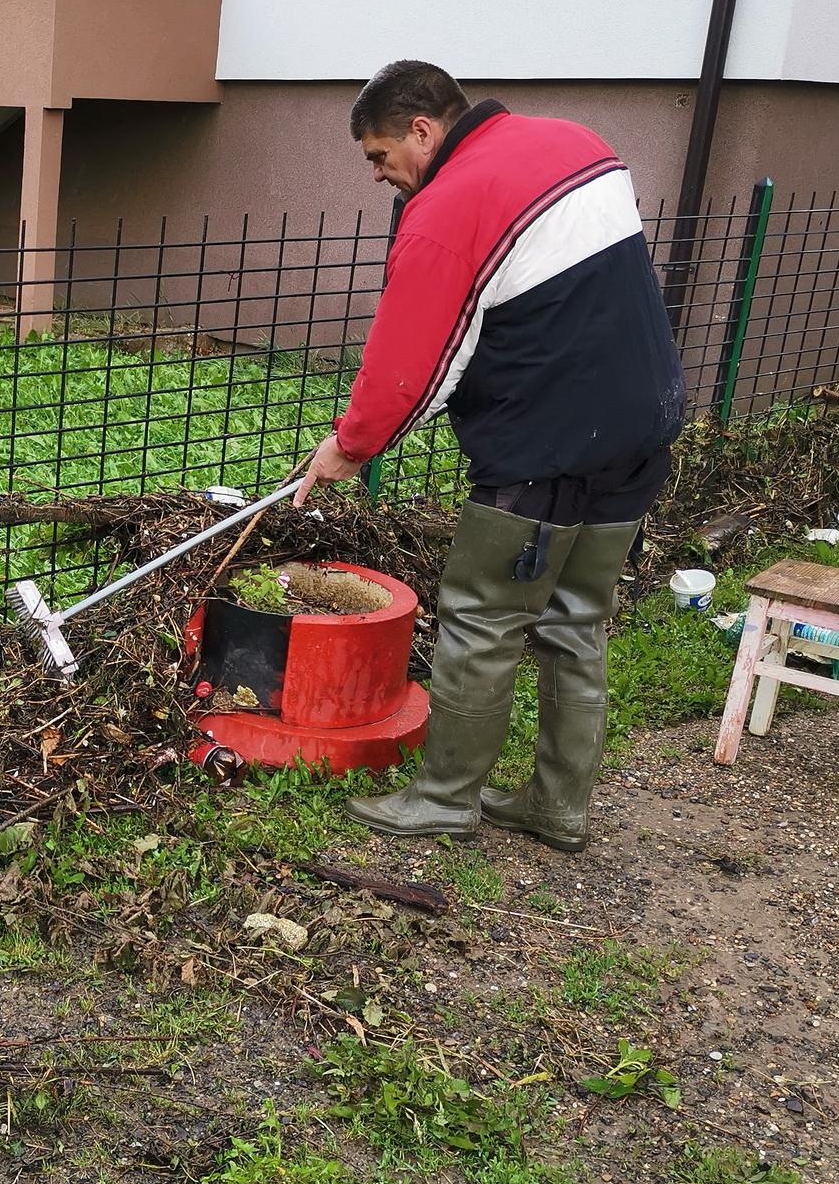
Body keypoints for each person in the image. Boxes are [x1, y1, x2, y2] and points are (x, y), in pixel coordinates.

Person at [291, 61, 685, 851]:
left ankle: (442, 801)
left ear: (423, 130)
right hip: (644, 426)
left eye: (379, 156)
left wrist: (348, 445)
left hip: (544, 451)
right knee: (578, 624)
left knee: (481, 620)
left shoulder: (446, 208)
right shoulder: (577, 144)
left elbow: (414, 364)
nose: (379, 176)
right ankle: (558, 807)